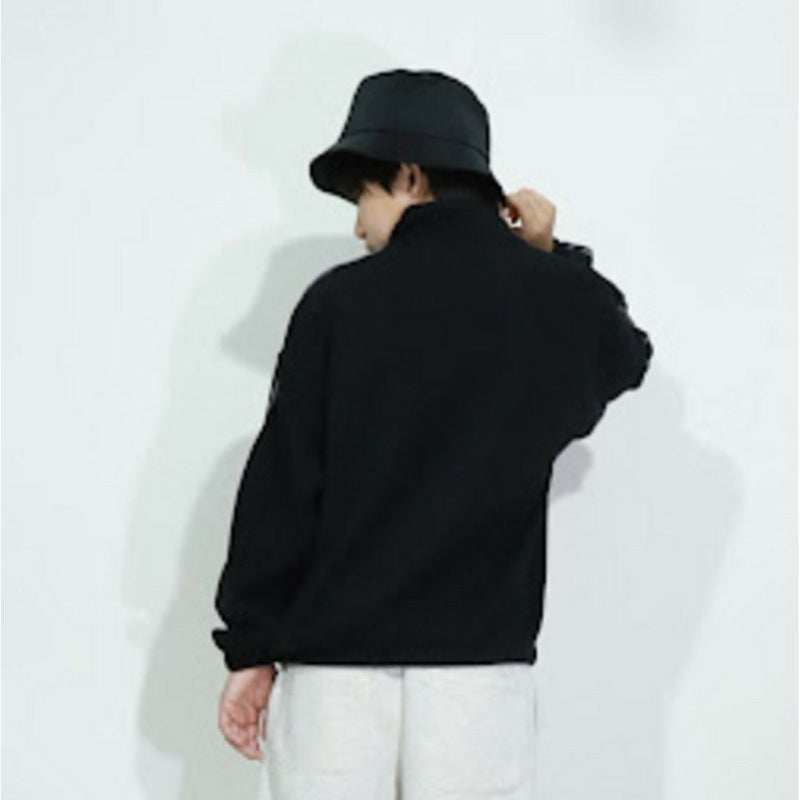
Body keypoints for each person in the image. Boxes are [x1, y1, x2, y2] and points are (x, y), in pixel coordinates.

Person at [211, 68, 654, 799]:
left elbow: (283, 487)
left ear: (410, 175)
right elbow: (624, 357)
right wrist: (552, 255)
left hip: (334, 677)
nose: (358, 225)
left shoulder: (338, 303)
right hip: (480, 677)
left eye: (364, 195)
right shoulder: (554, 300)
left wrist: (250, 646)